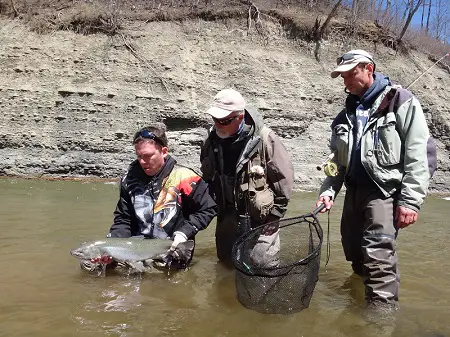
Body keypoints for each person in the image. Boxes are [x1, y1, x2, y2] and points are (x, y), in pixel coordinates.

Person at [316, 50, 436, 309]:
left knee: (379, 259)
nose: (346, 81)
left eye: (351, 74)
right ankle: (358, 305)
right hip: (353, 193)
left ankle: (379, 322)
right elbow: (336, 159)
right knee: (355, 253)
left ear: (369, 69)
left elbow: (421, 153)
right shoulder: (346, 112)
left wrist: (410, 201)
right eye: (342, 77)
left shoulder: (400, 101)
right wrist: (328, 190)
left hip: (384, 194)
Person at [89, 124, 217, 269]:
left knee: (150, 280)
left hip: (170, 250)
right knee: (90, 263)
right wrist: (112, 244)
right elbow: (124, 219)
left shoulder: (186, 178)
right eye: (139, 156)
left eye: (148, 156)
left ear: (164, 151)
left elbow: (208, 208)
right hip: (135, 249)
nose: (143, 161)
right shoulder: (128, 180)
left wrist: (185, 232)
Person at [200, 88, 294, 266]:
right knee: (226, 265)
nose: (218, 124)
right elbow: (207, 177)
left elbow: (284, 180)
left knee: (262, 266)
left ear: (240, 117)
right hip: (226, 217)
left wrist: (275, 216)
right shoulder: (211, 139)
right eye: (215, 119)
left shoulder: (266, 139)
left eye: (224, 120)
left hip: (261, 220)